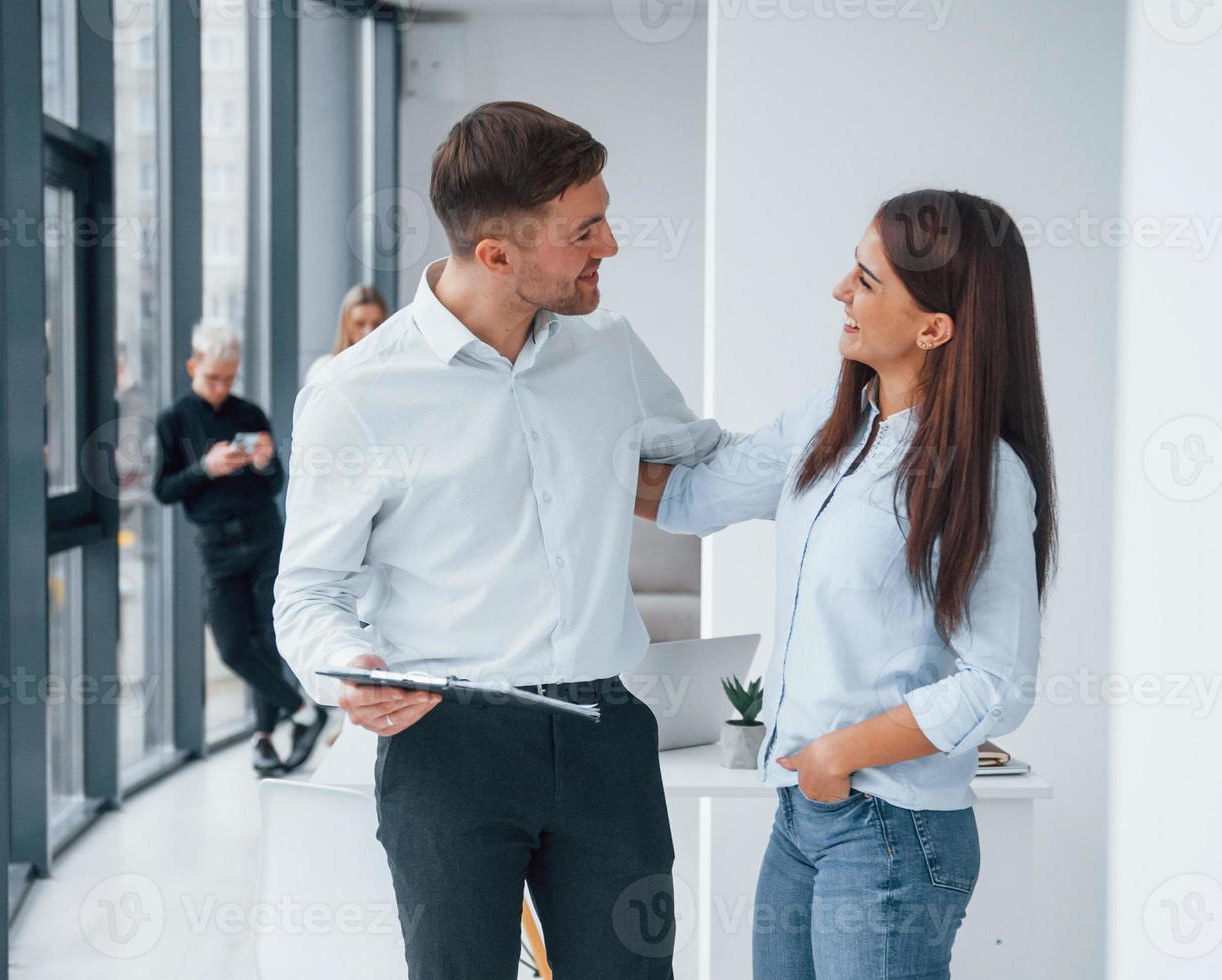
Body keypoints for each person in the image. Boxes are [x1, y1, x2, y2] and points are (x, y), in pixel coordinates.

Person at [275, 101, 722, 979]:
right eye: (585, 230)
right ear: (496, 254)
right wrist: (346, 668)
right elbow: (308, 593)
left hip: (605, 732)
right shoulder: (357, 394)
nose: (612, 247)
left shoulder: (609, 351)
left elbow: (702, 466)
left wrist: (861, 444)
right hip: (450, 746)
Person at [637, 189, 1055, 979]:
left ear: (935, 328)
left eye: (866, 279)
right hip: (803, 816)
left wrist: (838, 756)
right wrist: (565, 437)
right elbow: (688, 497)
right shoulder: (825, 427)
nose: (839, 291)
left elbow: (1000, 683)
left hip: (890, 829)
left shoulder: (983, 476)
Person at [154, 323, 330, 774]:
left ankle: (264, 738)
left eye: (229, 378)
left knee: (269, 639)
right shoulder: (173, 421)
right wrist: (204, 469)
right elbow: (163, 489)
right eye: (212, 377)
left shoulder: (249, 414)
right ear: (193, 367)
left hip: (264, 536)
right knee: (233, 646)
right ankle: (305, 712)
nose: (221, 387)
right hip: (216, 547)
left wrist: (267, 462)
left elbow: (276, 484)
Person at [305, 284, 387, 384]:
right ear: (346, 324)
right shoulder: (324, 369)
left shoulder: (390, 372)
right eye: (360, 323)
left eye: (376, 324)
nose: (369, 331)